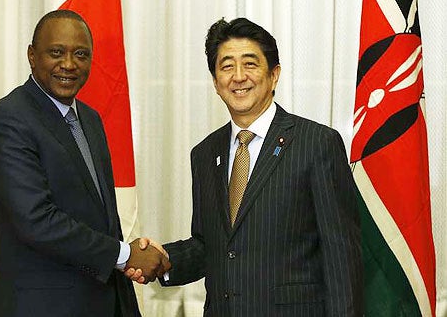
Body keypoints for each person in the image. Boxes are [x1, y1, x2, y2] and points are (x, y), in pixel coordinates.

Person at [129, 17, 363, 316]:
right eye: (226, 66)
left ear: (274, 75)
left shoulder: (317, 143)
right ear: (215, 82)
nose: (238, 76)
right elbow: (210, 245)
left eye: (250, 64)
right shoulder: (204, 153)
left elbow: (342, 256)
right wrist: (162, 259)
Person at [0, 9, 169, 317]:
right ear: (32, 55)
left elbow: (103, 220)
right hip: (37, 307)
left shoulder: (91, 120)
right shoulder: (7, 120)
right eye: (56, 52)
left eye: (81, 54)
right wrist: (125, 255)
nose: (69, 64)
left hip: (101, 301)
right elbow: (36, 220)